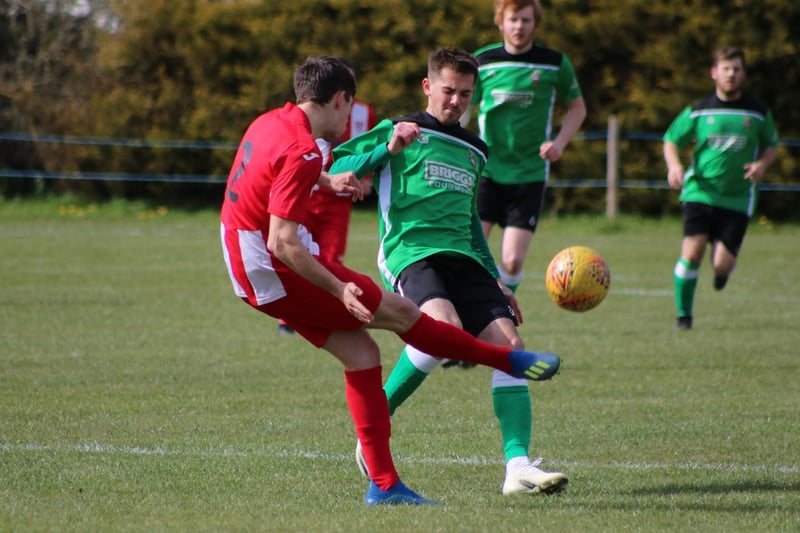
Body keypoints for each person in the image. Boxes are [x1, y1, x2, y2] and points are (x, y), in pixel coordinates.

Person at [219, 55, 562, 506]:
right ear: (340, 98)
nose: (351, 117)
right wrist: (340, 288)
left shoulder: (272, 122)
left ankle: (385, 486)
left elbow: (287, 170)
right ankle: (505, 363)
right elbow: (284, 242)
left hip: (248, 258)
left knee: (363, 352)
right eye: (448, 90)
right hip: (271, 263)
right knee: (407, 316)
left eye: (465, 93)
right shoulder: (309, 145)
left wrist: (326, 181)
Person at [329, 47, 568, 496]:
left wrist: (496, 277)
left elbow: (472, 225)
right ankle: (375, 427)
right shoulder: (400, 128)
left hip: (465, 258)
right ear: (427, 87)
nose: (456, 100)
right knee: (442, 328)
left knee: (512, 347)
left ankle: (517, 467)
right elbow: (335, 167)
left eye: (465, 94)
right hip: (411, 251)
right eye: (448, 91)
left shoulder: (476, 149)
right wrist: (387, 147)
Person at [461, 0, 586, 296]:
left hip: (529, 172)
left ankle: (504, 309)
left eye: (526, 20)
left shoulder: (554, 63)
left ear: (536, 24)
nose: (519, 26)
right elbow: (462, 107)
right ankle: (468, 313)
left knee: (513, 260)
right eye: (513, 19)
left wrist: (558, 143)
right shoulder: (483, 61)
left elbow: (577, 108)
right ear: (501, 22)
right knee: (469, 252)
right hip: (487, 171)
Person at [664, 46, 780, 331]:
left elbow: (772, 145)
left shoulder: (758, 113)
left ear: (744, 74)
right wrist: (675, 166)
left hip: (737, 198)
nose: (731, 75)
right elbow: (670, 140)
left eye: (737, 69)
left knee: (721, 267)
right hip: (699, 192)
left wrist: (762, 165)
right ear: (714, 73)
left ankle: (723, 270)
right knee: (692, 253)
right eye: (726, 69)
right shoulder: (698, 111)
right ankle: (684, 318)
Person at [278, 96, 377, 336]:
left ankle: (322, 312)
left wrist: (366, 179)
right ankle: (286, 318)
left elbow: (369, 149)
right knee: (295, 251)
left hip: (339, 202)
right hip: (310, 198)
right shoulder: (314, 110)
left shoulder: (365, 112)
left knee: (332, 260)